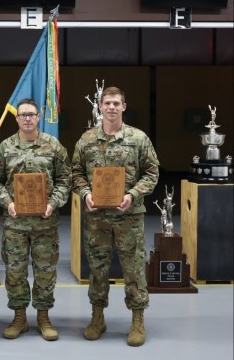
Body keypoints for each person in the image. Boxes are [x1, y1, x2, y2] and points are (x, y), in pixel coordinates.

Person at [71, 86, 159, 347]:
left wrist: (132, 194)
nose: (111, 107)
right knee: (97, 269)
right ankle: (97, 317)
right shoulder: (86, 140)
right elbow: (75, 173)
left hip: (129, 216)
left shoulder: (138, 139)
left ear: (124, 106)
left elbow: (152, 173)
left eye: (115, 103)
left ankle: (138, 319)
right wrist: (86, 193)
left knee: (133, 268)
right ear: (100, 107)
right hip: (97, 218)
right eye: (106, 103)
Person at [0, 98, 71, 341]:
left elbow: (66, 180)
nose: (26, 118)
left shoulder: (53, 146)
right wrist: (8, 202)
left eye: (31, 114)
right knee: (15, 271)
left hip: (45, 223)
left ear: (38, 117)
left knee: (45, 272)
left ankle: (44, 316)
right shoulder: (4, 148)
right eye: (22, 115)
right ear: (17, 119)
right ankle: (19, 317)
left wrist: (53, 203)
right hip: (15, 224)